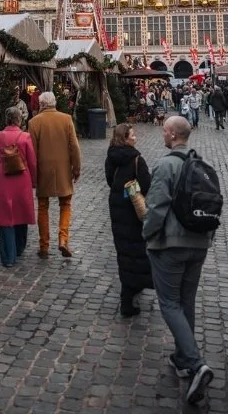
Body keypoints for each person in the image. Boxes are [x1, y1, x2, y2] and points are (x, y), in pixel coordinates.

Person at [143, 117, 217, 405]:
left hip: (171, 245)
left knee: (170, 303)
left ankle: (196, 364)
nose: (162, 134)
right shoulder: (203, 164)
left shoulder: (166, 165)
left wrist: (146, 235)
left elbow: (156, 207)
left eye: (164, 130)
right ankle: (183, 358)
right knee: (186, 302)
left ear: (172, 134)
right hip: (199, 243)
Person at [106, 122, 153, 318]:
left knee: (124, 249)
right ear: (125, 138)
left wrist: (124, 190)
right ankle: (128, 296)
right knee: (136, 249)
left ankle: (133, 287)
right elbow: (147, 184)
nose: (135, 137)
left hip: (117, 207)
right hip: (133, 210)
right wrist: (134, 191)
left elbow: (111, 180)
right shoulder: (136, 159)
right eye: (132, 135)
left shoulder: (112, 157)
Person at [28, 92, 82, 259]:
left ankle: (44, 246)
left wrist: (33, 175)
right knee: (65, 204)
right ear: (54, 103)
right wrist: (76, 168)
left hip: (43, 170)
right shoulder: (66, 119)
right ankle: (63, 240)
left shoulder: (33, 122)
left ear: (41, 104)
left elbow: (32, 152)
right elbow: (74, 146)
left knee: (43, 206)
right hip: (63, 169)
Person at [0, 103, 37, 267]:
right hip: (22, 179)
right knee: (21, 213)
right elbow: (32, 161)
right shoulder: (25, 137)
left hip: (4, 179)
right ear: (19, 119)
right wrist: (34, 180)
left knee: (6, 218)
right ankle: (19, 247)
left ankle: (8, 256)